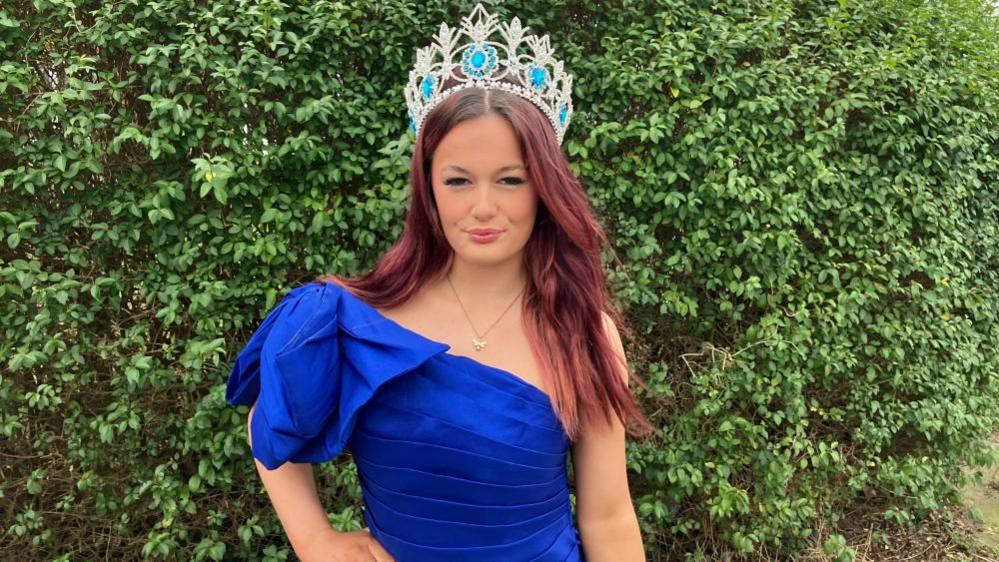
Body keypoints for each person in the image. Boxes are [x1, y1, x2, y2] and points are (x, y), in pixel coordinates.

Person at [226, 4, 654, 560]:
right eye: (458, 180)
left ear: (544, 187)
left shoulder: (581, 332)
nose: (482, 207)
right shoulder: (351, 320)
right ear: (428, 188)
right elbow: (268, 415)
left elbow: (609, 516)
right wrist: (314, 538)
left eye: (510, 180)